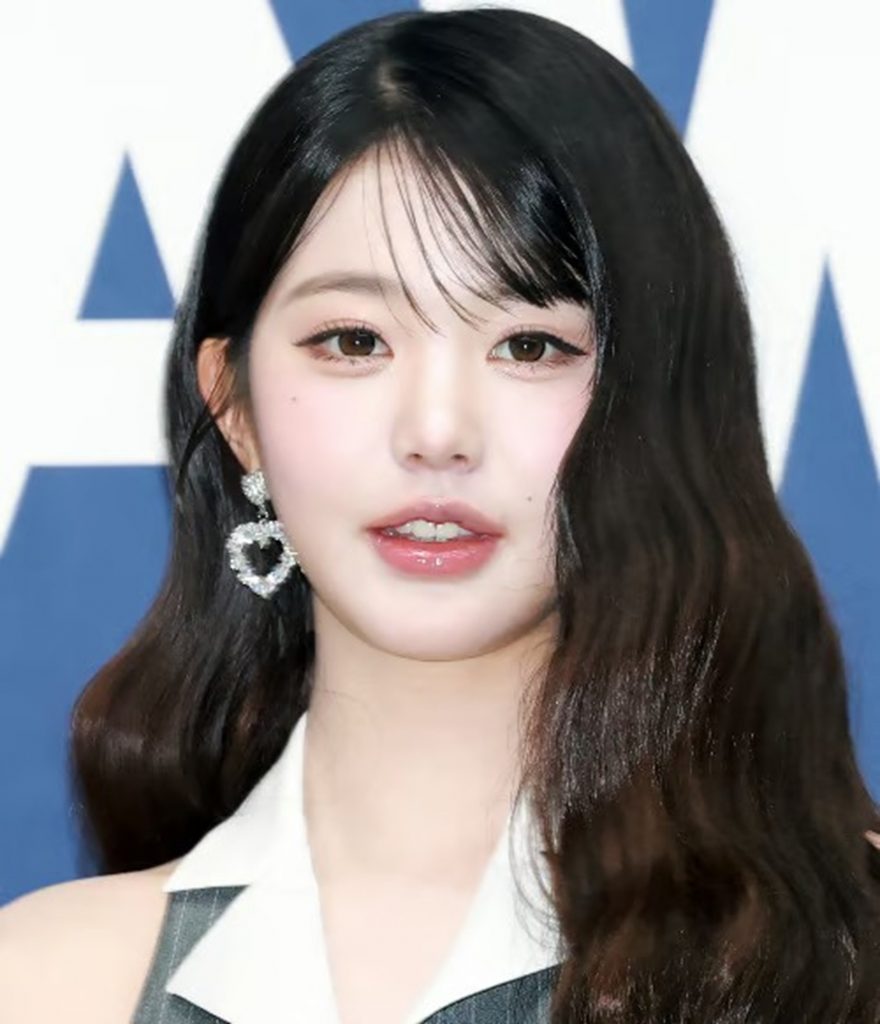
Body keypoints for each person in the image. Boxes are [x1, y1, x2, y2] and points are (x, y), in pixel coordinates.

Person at [2, 6, 879, 1023]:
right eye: (353, 341)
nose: (435, 431)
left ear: (656, 398)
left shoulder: (844, 948)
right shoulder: (52, 980)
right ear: (233, 405)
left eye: (529, 346)